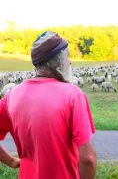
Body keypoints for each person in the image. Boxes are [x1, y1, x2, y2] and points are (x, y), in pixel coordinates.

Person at [0, 31, 97, 179]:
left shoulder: (11, 96)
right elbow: (88, 159)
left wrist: (12, 161)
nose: (70, 61)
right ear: (58, 62)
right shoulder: (73, 95)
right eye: (67, 57)